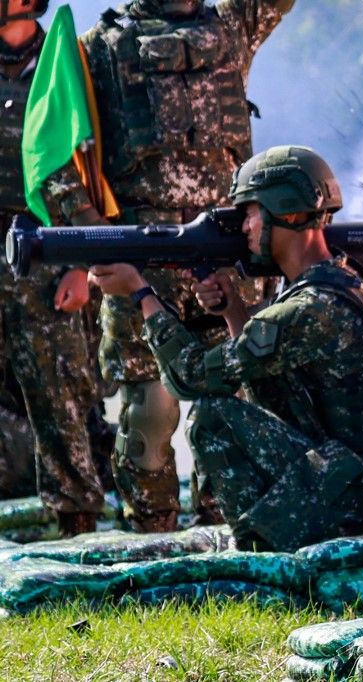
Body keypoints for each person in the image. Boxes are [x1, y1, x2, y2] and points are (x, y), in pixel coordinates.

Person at [88, 146, 363, 552]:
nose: (243, 227)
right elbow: (269, 376)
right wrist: (233, 310)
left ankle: (261, 545)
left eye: (251, 212)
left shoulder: (310, 308)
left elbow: (192, 378)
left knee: (213, 416)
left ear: (287, 213)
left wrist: (139, 295)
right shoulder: (348, 281)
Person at [43, 0, 296, 532]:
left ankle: (229, 525)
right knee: (149, 406)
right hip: (143, 254)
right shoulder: (96, 47)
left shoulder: (230, 23)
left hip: (229, 251)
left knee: (230, 395)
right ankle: (152, 531)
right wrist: (97, 235)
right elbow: (55, 154)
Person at [0, 0, 108, 535]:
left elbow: (85, 164)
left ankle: (75, 520)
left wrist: (79, 264)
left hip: (44, 249)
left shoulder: (69, 61)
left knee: (59, 389)